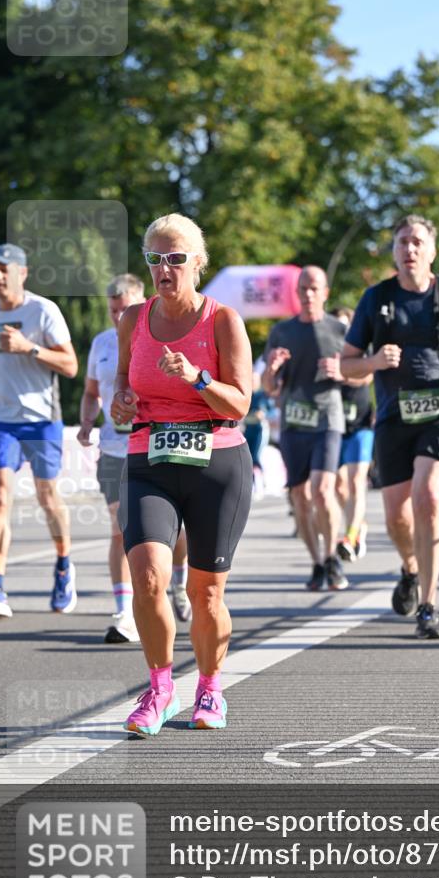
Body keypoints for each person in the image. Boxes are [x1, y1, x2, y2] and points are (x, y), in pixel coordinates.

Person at [113, 213, 252, 735]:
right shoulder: (132, 319)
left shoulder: (222, 321)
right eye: (155, 259)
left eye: (175, 258)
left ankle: (211, 689)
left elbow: (240, 402)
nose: (164, 269)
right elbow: (122, 393)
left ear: (197, 262)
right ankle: (160, 688)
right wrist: (122, 404)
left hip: (217, 459)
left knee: (206, 594)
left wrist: (197, 377)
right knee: (148, 577)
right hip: (150, 455)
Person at [341, 215, 439, 640]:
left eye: (417, 242)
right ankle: (410, 568)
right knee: (396, 516)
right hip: (394, 413)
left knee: (428, 495)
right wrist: (373, 363)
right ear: (394, 251)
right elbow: (346, 363)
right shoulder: (376, 299)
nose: (409, 249)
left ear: (431, 250)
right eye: (402, 242)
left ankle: (429, 606)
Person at [78, 274, 191, 643]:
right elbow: (92, 391)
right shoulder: (101, 343)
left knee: (175, 530)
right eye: (113, 310)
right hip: (113, 448)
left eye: (124, 309)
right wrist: (86, 421)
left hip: (157, 445)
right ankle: (123, 612)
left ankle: (179, 578)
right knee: (120, 527)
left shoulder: (159, 334)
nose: (118, 317)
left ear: (142, 300)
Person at [0, 243, 78, 619]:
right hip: (1, 419)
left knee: (47, 496)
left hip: (40, 419)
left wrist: (28, 348)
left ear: (23, 273)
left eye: (5, 270)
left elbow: (70, 364)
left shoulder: (43, 310)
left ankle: (65, 564)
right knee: (0, 494)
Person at [262, 266, 349, 592]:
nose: (308, 294)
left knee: (323, 490)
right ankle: (317, 561)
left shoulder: (340, 330)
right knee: (299, 495)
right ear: (296, 293)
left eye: (314, 288)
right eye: (303, 289)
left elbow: (364, 375)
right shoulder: (282, 332)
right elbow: (269, 387)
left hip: (328, 418)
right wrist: (271, 370)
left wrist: (342, 372)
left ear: (325, 292)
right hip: (294, 422)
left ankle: (331, 555)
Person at [333, 308, 374, 562]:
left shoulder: (360, 345)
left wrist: (343, 374)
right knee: (338, 485)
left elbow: (368, 375)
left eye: (343, 326)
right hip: (335, 423)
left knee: (357, 479)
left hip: (361, 422)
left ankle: (350, 535)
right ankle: (359, 524)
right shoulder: (325, 348)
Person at [243, 370, 274, 501]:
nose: (252, 383)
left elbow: (272, 412)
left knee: (256, 456)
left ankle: (261, 485)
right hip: (248, 429)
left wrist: (264, 415)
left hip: (260, 430)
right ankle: (253, 485)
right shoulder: (246, 395)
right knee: (248, 458)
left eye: (254, 380)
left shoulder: (263, 396)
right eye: (250, 380)